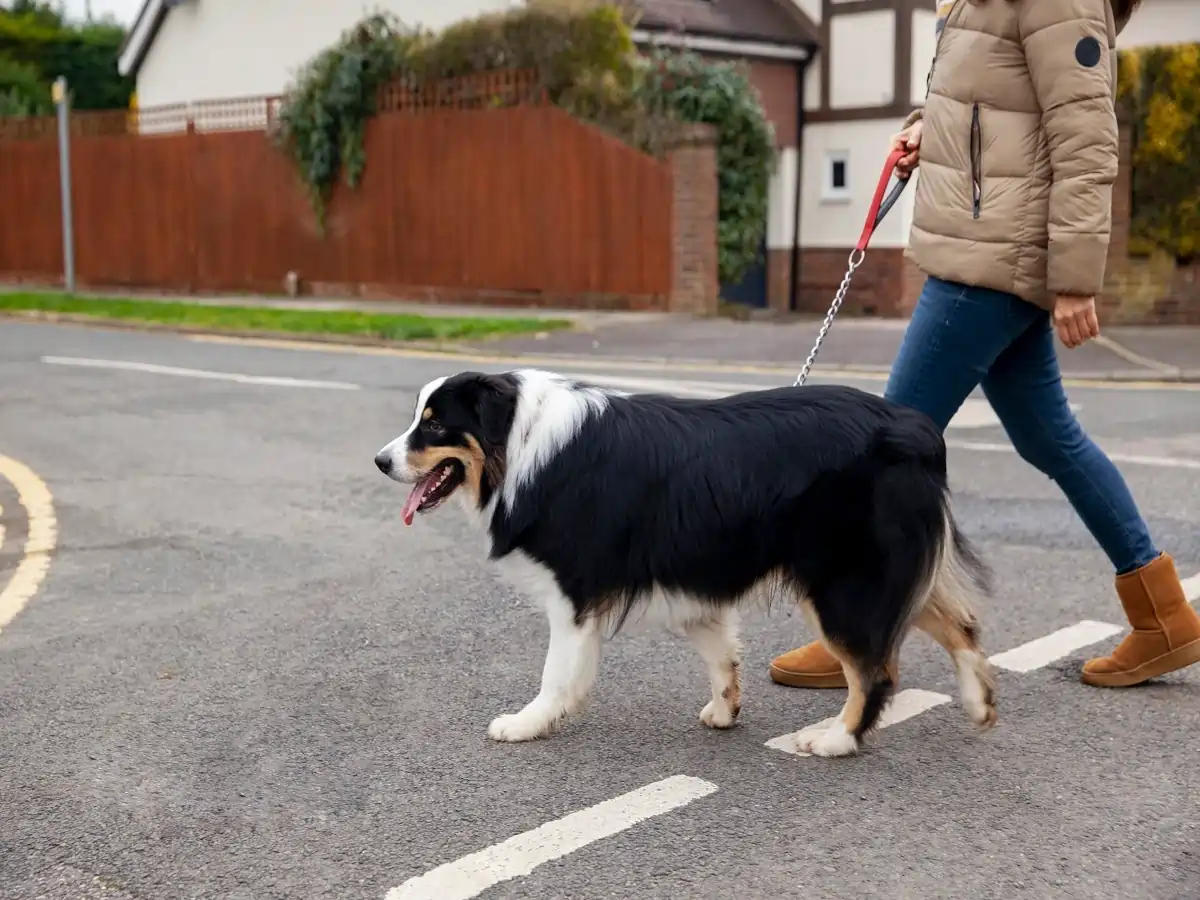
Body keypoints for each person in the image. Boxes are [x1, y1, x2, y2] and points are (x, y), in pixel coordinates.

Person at [770, 0, 1200, 691]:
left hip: (991, 261)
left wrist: (1075, 280)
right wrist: (923, 134)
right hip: (987, 246)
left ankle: (862, 629)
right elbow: (988, 109)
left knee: (888, 444)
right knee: (1049, 438)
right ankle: (1163, 617)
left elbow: (1085, 140)